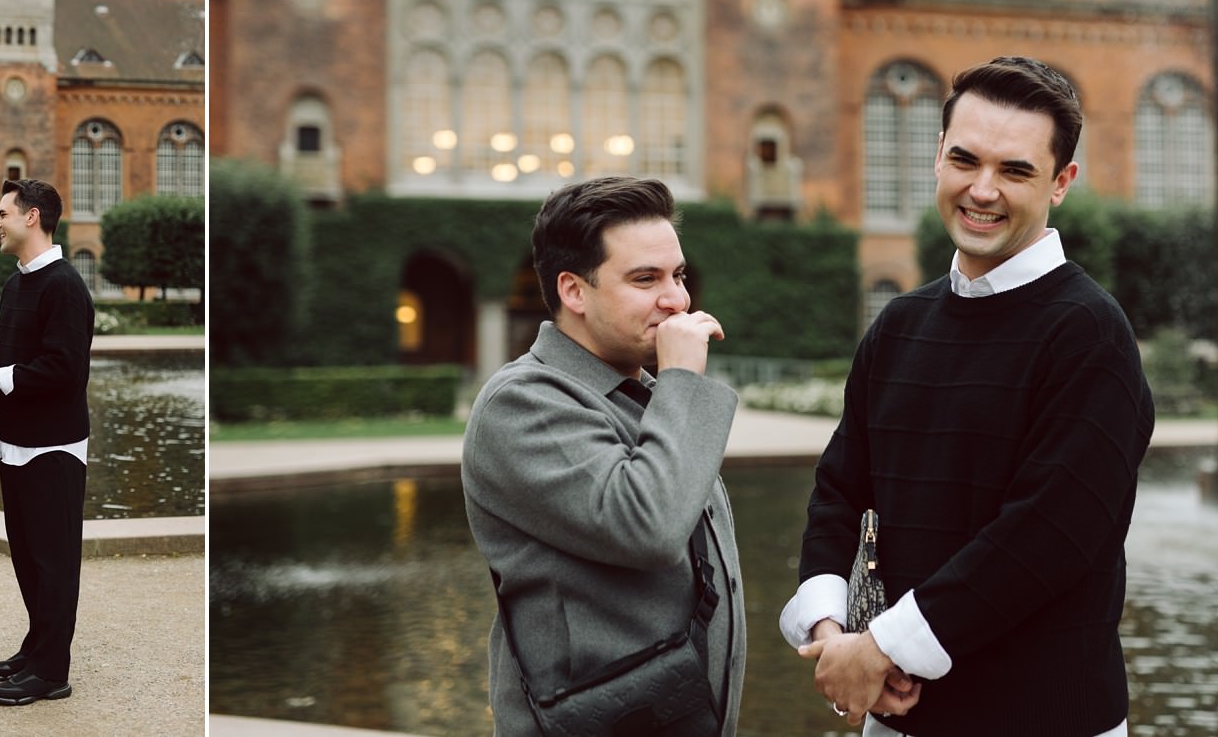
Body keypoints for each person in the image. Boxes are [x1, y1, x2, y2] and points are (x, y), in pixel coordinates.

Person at [781, 56, 1155, 736]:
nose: (982, 190)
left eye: (1015, 170)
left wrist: (886, 646)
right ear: (938, 157)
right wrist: (834, 631)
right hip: (898, 721)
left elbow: (1048, 534)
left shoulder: (1090, 333)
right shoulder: (899, 325)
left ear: (1061, 182)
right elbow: (838, 490)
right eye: (966, 160)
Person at [462, 176, 745, 735]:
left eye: (678, 275)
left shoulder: (640, 392)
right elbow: (650, 526)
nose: (678, 300)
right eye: (646, 279)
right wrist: (682, 379)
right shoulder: (522, 403)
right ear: (574, 291)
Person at [0, 178, 94, 706]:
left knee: (54, 561)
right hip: (14, 443)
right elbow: (19, 348)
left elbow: (64, 368)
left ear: (31, 217)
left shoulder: (65, 286)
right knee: (28, 557)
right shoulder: (17, 283)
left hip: (54, 446)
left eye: (2, 213)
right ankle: (36, 648)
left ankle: (52, 671)